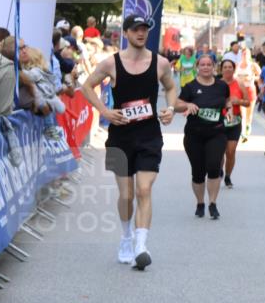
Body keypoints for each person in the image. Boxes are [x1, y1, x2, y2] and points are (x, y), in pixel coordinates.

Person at [79, 15, 177, 270]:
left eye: (144, 29)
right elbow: (87, 86)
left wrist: (170, 108)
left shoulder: (160, 63)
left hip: (149, 135)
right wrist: (104, 111)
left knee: (144, 189)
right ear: (126, 33)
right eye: (136, 29)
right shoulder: (111, 63)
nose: (141, 33)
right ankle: (125, 237)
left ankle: (141, 245)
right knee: (126, 194)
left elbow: (170, 87)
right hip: (120, 137)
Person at [175, 54, 230, 219]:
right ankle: (200, 202)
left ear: (214, 67)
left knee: (214, 166)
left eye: (209, 64)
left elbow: (226, 101)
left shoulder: (221, 86)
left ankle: (213, 203)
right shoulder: (190, 87)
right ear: (197, 67)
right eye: (202, 64)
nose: (206, 67)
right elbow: (176, 105)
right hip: (194, 135)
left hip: (217, 132)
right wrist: (187, 104)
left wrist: (228, 110)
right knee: (198, 172)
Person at [219, 59, 250, 188]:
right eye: (225, 67)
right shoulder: (216, 84)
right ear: (221, 69)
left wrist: (239, 101)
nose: (227, 69)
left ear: (234, 69)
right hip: (219, 121)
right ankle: (219, 169)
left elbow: (248, 102)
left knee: (230, 152)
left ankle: (228, 176)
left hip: (235, 121)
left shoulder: (240, 84)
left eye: (230, 67)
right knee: (219, 151)